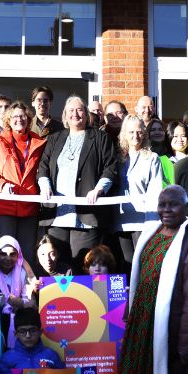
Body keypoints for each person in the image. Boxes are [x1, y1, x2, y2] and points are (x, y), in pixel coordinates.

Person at [119, 186, 188, 374]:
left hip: (168, 331)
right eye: (162, 204)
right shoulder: (152, 232)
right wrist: (130, 313)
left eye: (174, 204)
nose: (166, 209)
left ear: (187, 207)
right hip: (141, 325)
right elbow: (141, 277)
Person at [39, 96, 119, 265]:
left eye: (80, 109)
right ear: (65, 115)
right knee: (56, 264)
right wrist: (45, 186)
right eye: (71, 110)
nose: (75, 114)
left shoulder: (100, 138)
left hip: (86, 215)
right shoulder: (55, 138)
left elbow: (111, 167)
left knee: (82, 265)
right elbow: (43, 166)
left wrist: (99, 189)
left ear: (87, 113)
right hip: (57, 215)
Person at [0, 101, 47, 256]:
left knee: (26, 255)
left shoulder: (40, 143)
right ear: (8, 120)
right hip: (4, 206)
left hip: (30, 208)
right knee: (4, 255)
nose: (19, 119)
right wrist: (1, 185)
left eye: (23, 116)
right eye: (15, 116)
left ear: (29, 119)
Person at [116, 115, 164, 261]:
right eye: (131, 132)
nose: (135, 136)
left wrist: (152, 223)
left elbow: (155, 192)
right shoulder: (115, 158)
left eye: (139, 132)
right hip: (119, 221)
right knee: (124, 266)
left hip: (142, 222)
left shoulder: (152, 158)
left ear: (144, 133)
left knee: (142, 264)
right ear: (124, 134)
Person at [0, 235, 34, 339]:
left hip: (18, 317)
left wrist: (20, 303)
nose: (8, 258)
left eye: (12, 254)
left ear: (18, 256)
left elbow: (28, 300)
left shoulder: (22, 273)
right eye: (3, 254)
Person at [0, 308, 65, 374]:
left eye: (33, 330)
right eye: (22, 331)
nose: (28, 336)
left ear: (40, 332)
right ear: (16, 334)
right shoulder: (6, 359)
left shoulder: (51, 355)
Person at [161, 121, 188, 185]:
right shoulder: (161, 160)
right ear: (169, 137)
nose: (180, 139)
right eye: (175, 136)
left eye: (183, 136)